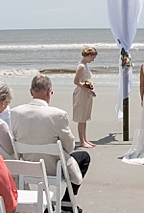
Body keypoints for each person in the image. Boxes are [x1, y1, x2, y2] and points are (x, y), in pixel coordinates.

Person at [10, 74, 91, 206]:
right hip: (53, 168)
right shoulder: (57, 115)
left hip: (27, 166)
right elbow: (69, 147)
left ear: (31, 92)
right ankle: (68, 200)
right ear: (49, 91)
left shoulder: (15, 112)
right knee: (84, 157)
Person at [72, 46, 98, 148]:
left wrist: (90, 87)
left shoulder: (85, 65)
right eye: (93, 57)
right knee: (81, 117)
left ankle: (85, 139)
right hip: (81, 93)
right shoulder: (81, 66)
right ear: (89, 55)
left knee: (85, 117)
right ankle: (82, 141)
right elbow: (76, 81)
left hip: (86, 92)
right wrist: (88, 89)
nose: (93, 59)